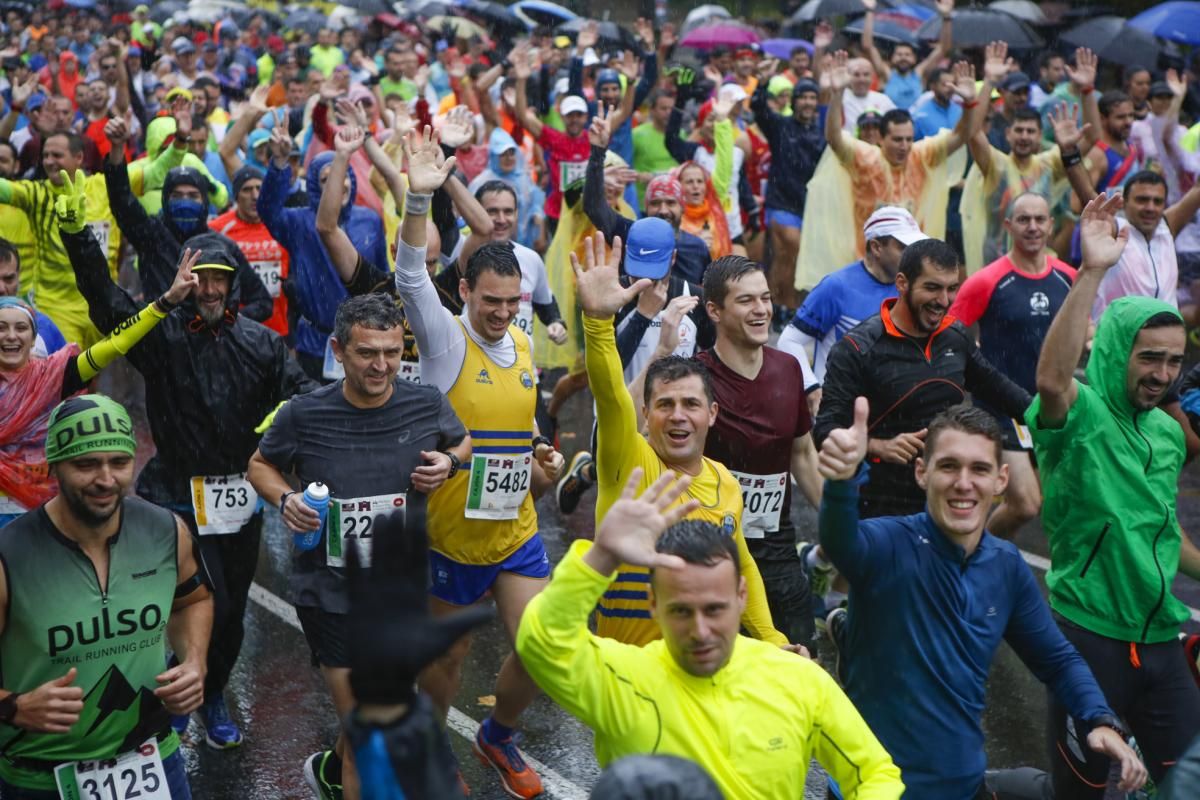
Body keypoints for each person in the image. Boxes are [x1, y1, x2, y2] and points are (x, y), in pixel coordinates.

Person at [61, 163, 315, 751]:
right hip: (173, 493)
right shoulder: (163, 336)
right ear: (184, 280)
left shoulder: (261, 342)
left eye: (218, 279)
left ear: (232, 284)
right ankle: (169, 699)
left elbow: (300, 392)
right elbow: (106, 302)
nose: (207, 289)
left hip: (240, 497)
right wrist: (79, 239)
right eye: (197, 278)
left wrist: (285, 418)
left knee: (228, 617)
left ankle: (211, 691)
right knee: (182, 605)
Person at [816, 400, 1147, 799]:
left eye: (979, 469)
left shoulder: (1005, 566)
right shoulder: (888, 544)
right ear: (922, 472)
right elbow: (841, 540)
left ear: (1001, 480)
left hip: (963, 788)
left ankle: (848, 629)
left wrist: (1100, 718)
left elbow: (1058, 661)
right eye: (949, 466)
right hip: (870, 791)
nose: (964, 483)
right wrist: (843, 480)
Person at [514, 467, 906, 799]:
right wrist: (601, 556)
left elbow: (876, 774)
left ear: (741, 596)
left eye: (714, 609)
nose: (700, 631)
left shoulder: (799, 679)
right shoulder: (621, 679)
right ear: (653, 603)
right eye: (681, 611)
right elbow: (541, 642)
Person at [390, 126, 566, 800]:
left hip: (514, 526)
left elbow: (515, 424)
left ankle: (497, 735)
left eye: (510, 303)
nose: (499, 314)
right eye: (488, 301)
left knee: (543, 648)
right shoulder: (443, 338)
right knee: (446, 660)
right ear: (465, 290)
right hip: (451, 535)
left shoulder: (520, 342)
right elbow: (410, 275)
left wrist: (537, 453)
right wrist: (418, 198)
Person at [248, 292, 470, 800]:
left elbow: (461, 443)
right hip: (331, 595)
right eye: (368, 353)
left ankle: (331, 772)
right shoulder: (305, 414)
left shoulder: (426, 402)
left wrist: (449, 464)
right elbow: (259, 464)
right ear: (338, 351)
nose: (382, 365)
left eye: (392, 352)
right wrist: (285, 500)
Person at [1027, 192, 1200, 796]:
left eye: (1173, 362)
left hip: (1160, 640)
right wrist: (1093, 269)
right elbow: (1050, 379)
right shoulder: (1080, 412)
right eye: (1148, 357)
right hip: (1089, 639)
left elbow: (1162, 531)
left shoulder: (1166, 433)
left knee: (1186, 785)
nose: (1161, 373)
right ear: (1116, 351)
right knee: (1082, 790)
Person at [572, 229, 788, 651]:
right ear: (646, 416)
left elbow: (741, 564)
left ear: (712, 414)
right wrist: (597, 323)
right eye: (665, 405)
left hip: (700, 668)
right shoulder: (629, 462)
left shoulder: (725, 481)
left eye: (691, 404)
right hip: (629, 678)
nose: (678, 416)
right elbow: (612, 397)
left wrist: (773, 640)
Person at [0, 394, 213, 799]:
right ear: (54, 466)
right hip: (41, 778)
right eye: (85, 464)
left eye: (119, 462)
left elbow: (193, 600)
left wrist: (194, 661)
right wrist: (15, 706)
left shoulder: (165, 530)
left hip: (154, 760)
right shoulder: (10, 556)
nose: (106, 479)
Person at [813, 238, 1031, 519]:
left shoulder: (955, 336)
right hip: (878, 505)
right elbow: (825, 431)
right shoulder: (858, 348)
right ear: (902, 283)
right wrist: (879, 446)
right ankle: (824, 556)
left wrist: (1058, 419)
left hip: (942, 499)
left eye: (952, 289)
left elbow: (1000, 390)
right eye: (932, 288)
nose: (943, 301)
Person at [0, 247, 195, 527]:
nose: (10, 336)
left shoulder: (57, 375)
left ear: (33, 340)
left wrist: (165, 302)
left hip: (42, 514)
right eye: (1, 328)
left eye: (20, 328)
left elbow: (116, 342)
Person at [693, 256, 823, 653]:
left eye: (766, 298)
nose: (762, 310)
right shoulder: (695, 378)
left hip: (776, 544)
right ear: (714, 310)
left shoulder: (789, 368)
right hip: (710, 550)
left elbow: (802, 453)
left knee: (803, 662)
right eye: (747, 301)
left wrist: (839, 523)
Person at [949, 192, 1074, 537]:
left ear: (1051, 225)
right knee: (1024, 504)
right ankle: (973, 555)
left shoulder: (1068, 277)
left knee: (1055, 503)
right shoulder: (986, 281)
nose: (1032, 227)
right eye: (1023, 220)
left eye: (1039, 219)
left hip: (1051, 408)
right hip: (1001, 409)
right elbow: (949, 336)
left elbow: (1083, 329)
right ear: (1008, 226)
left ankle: (978, 553)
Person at [798, 54, 977, 293]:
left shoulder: (922, 155)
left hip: (913, 265)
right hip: (868, 265)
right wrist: (838, 95)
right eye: (896, 140)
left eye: (908, 139)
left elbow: (961, 136)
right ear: (881, 139)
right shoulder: (865, 157)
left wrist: (969, 106)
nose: (904, 146)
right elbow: (834, 138)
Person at [102, 116, 273, 325]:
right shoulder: (151, 236)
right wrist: (117, 149)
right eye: (177, 195)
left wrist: (223, 321)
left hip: (211, 351)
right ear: (165, 199)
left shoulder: (221, 246)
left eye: (193, 196)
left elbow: (262, 302)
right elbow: (121, 201)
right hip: (161, 345)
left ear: (204, 201)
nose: (184, 202)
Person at [258, 114, 388, 382]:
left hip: (363, 340)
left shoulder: (370, 220)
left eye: (344, 177)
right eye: (327, 179)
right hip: (316, 341)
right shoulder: (299, 222)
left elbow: (381, 281)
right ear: (315, 188)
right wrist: (280, 163)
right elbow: (268, 210)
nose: (338, 185)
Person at [961, 44, 1099, 273]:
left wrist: (1086, 90)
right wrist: (989, 82)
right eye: (1019, 130)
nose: (1024, 136)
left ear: (1039, 135)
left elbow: (1093, 136)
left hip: (1038, 265)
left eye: (1031, 131)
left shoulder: (1049, 164)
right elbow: (973, 133)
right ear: (1008, 134)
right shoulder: (997, 165)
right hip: (996, 267)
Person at [779, 206, 927, 397]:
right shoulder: (836, 286)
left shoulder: (912, 288)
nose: (912, 256)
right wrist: (812, 389)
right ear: (876, 247)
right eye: (903, 248)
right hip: (840, 410)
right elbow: (788, 342)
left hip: (891, 411)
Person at [751, 58, 823, 314]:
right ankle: (778, 307)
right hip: (782, 202)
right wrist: (762, 82)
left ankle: (790, 307)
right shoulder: (781, 127)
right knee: (788, 252)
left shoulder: (822, 132)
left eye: (812, 98)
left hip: (811, 208)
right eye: (802, 97)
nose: (807, 102)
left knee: (796, 260)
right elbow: (758, 108)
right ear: (794, 101)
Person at [210, 165, 290, 337]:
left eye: (259, 188)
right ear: (236, 195)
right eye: (247, 190)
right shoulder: (217, 229)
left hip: (279, 326)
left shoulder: (281, 224)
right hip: (238, 327)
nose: (255, 196)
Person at [860, 0, 953, 111]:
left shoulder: (920, 74)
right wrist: (869, 11)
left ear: (914, 59)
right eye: (899, 54)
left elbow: (944, 48)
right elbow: (868, 46)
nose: (903, 57)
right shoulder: (886, 74)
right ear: (893, 58)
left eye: (907, 54)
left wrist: (946, 17)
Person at [0, 237, 65, 358]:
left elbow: (72, 374)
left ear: (19, 277)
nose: (2, 289)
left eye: (8, 279)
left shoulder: (45, 329)